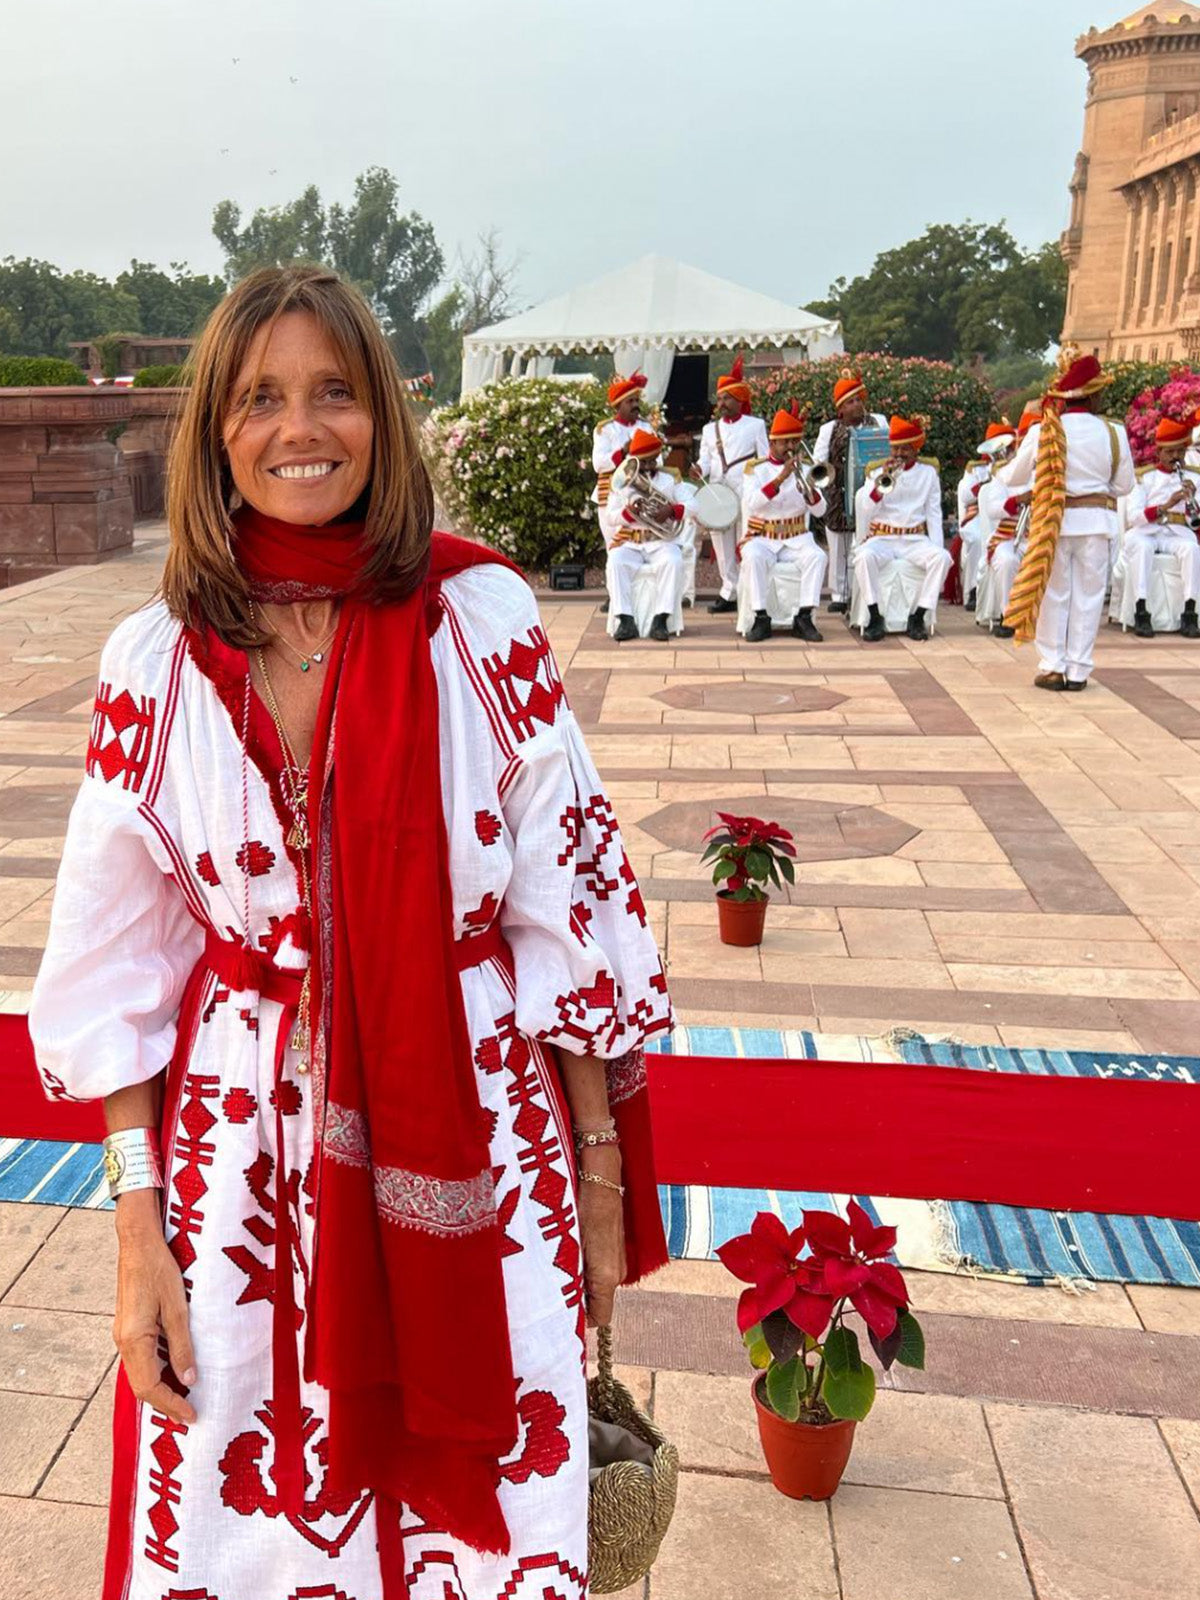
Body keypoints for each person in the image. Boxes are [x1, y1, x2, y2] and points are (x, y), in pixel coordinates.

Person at [28, 265, 672, 1600]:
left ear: (381, 412)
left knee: (483, 1524)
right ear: (215, 431)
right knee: (248, 1514)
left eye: (332, 391)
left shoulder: (479, 619)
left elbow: (569, 907)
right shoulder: (155, 658)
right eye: (260, 398)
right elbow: (116, 960)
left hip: (478, 1137)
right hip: (240, 1163)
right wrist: (138, 1232)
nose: (299, 427)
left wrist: (599, 1184)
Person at [1001, 350, 1135, 691]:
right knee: (1089, 597)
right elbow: (1124, 486)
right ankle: (1078, 671)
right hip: (1097, 524)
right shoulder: (1114, 432)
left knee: (1054, 595)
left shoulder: (1044, 430)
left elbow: (1013, 477)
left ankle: (1053, 666)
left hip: (1054, 523)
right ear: (1092, 395)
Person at [853, 414, 950, 642]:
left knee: (942, 558)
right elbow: (866, 509)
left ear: (915, 449)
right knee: (863, 557)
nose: (898, 454)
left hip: (914, 539)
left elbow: (934, 514)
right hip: (883, 538)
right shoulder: (877, 472)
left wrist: (936, 546)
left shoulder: (928, 474)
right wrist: (882, 482)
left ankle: (919, 616)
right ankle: (875, 616)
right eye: (895, 448)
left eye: (905, 449)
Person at [739, 402, 828, 643]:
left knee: (818, 557)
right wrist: (781, 478)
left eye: (794, 442)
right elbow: (753, 503)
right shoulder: (755, 469)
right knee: (753, 557)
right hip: (763, 536)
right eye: (785, 442)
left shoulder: (807, 469)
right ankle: (760, 618)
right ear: (772, 443)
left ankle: (804, 617)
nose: (790, 447)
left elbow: (821, 511)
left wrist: (810, 492)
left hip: (796, 537)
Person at [692, 355, 769, 613]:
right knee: (721, 544)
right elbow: (705, 459)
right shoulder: (709, 429)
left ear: (739, 400)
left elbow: (764, 459)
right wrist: (699, 469)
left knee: (745, 541)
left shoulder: (756, 425)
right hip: (718, 493)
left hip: (746, 491)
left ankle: (747, 591)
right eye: (720, 398)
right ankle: (728, 591)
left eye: (727, 398)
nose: (722, 403)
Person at [812, 370, 888, 613]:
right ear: (841, 408)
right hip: (838, 493)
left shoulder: (879, 421)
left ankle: (865, 593)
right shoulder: (829, 428)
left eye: (858, 399)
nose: (857, 405)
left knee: (867, 542)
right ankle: (840, 594)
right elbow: (819, 461)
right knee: (838, 547)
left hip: (870, 492)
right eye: (850, 401)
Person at [605, 427, 687, 642]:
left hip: (660, 541)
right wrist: (628, 513)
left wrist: (672, 510)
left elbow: (693, 505)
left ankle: (661, 619)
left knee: (674, 561)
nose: (650, 466)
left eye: (653, 461)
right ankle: (625, 619)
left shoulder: (669, 479)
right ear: (634, 461)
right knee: (615, 561)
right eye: (644, 462)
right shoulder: (622, 482)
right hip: (631, 541)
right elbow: (610, 517)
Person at [1123, 415, 1200, 639]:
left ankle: (1189, 613)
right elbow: (1134, 516)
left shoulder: (1194, 478)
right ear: (1159, 452)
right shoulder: (1144, 477)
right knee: (1142, 548)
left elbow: (1195, 521)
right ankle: (1141, 611)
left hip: (1177, 532)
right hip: (1146, 531)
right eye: (1170, 452)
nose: (1175, 457)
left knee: (1192, 549)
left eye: (1180, 452)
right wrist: (1166, 505)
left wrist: (1192, 500)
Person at [978, 409, 1037, 638]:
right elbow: (993, 509)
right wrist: (1019, 500)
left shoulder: (1040, 474)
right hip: (1006, 536)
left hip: (1034, 534)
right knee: (1006, 560)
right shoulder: (1002, 475)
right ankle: (1007, 615)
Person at [957, 423, 1015, 611]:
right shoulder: (977, 469)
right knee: (976, 538)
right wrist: (987, 483)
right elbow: (966, 496)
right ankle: (974, 588)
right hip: (978, 514)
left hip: (1006, 516)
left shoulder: (1017, 465)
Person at [592, 370, 648, 537]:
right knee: (614, 546)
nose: (635, 405)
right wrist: (623, 451)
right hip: (611, 495)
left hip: (641, 493)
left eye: (636, 400)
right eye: (630, 401)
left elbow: (658, 461)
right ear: (618, 405)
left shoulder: (646, 427)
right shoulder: (605, 429)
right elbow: (598, 464)